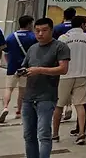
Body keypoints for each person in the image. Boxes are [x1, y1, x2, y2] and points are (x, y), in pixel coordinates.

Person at [22, 17, 71, 158]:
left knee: (44, 134)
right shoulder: (32, 48)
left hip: (46, 97)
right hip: (29, 97)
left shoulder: (60, 47)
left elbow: (63, 69)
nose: (40, 34)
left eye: (44, 30)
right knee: (28, 135)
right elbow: (26, 66)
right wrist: (23, 71)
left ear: (51, 30)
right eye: (37, 31)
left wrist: (40, 70)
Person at [54, 15, 86, 145]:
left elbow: (57, 54)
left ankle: (55, 133)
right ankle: (82, 133)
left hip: (65, 75)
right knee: (80, 104)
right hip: (83, 75)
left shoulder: (63, 38)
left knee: (59, 105)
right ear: (83, 25)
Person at [0, 15, 37, 124]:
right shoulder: (33, 37)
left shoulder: (11, 36)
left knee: (8, 88)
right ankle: (18, 111)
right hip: (26, 67)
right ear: (29, 24)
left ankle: (5, 107)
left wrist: (9, 62)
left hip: (12, 67)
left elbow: (5, 52)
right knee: (22, 90)